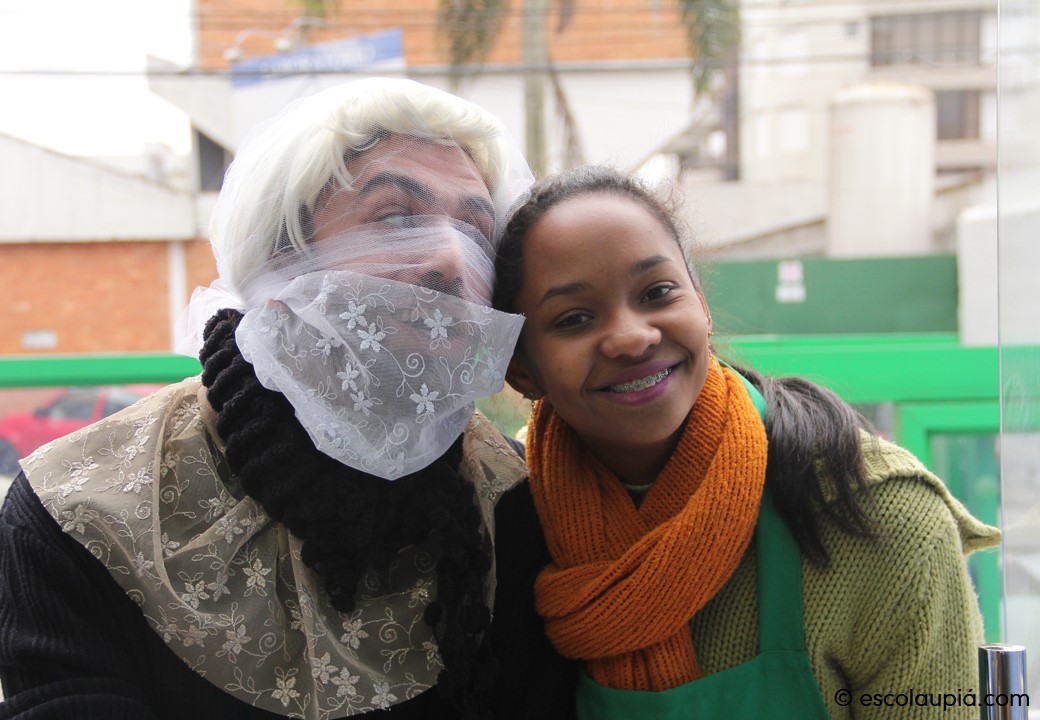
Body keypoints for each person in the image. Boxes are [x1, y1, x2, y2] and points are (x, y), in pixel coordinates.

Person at [0, 77, 536, 719]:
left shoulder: (516, 498)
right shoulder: (83, 513)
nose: (451, 260)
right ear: (279, 258)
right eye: (396, 218)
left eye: (476, 229)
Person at [488, 165, 1001, 719]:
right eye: (574, 319)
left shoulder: (878, 513)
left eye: (658, 292)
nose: (632, 337)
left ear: (702, 305)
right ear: (521, 370)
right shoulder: (509, 514)